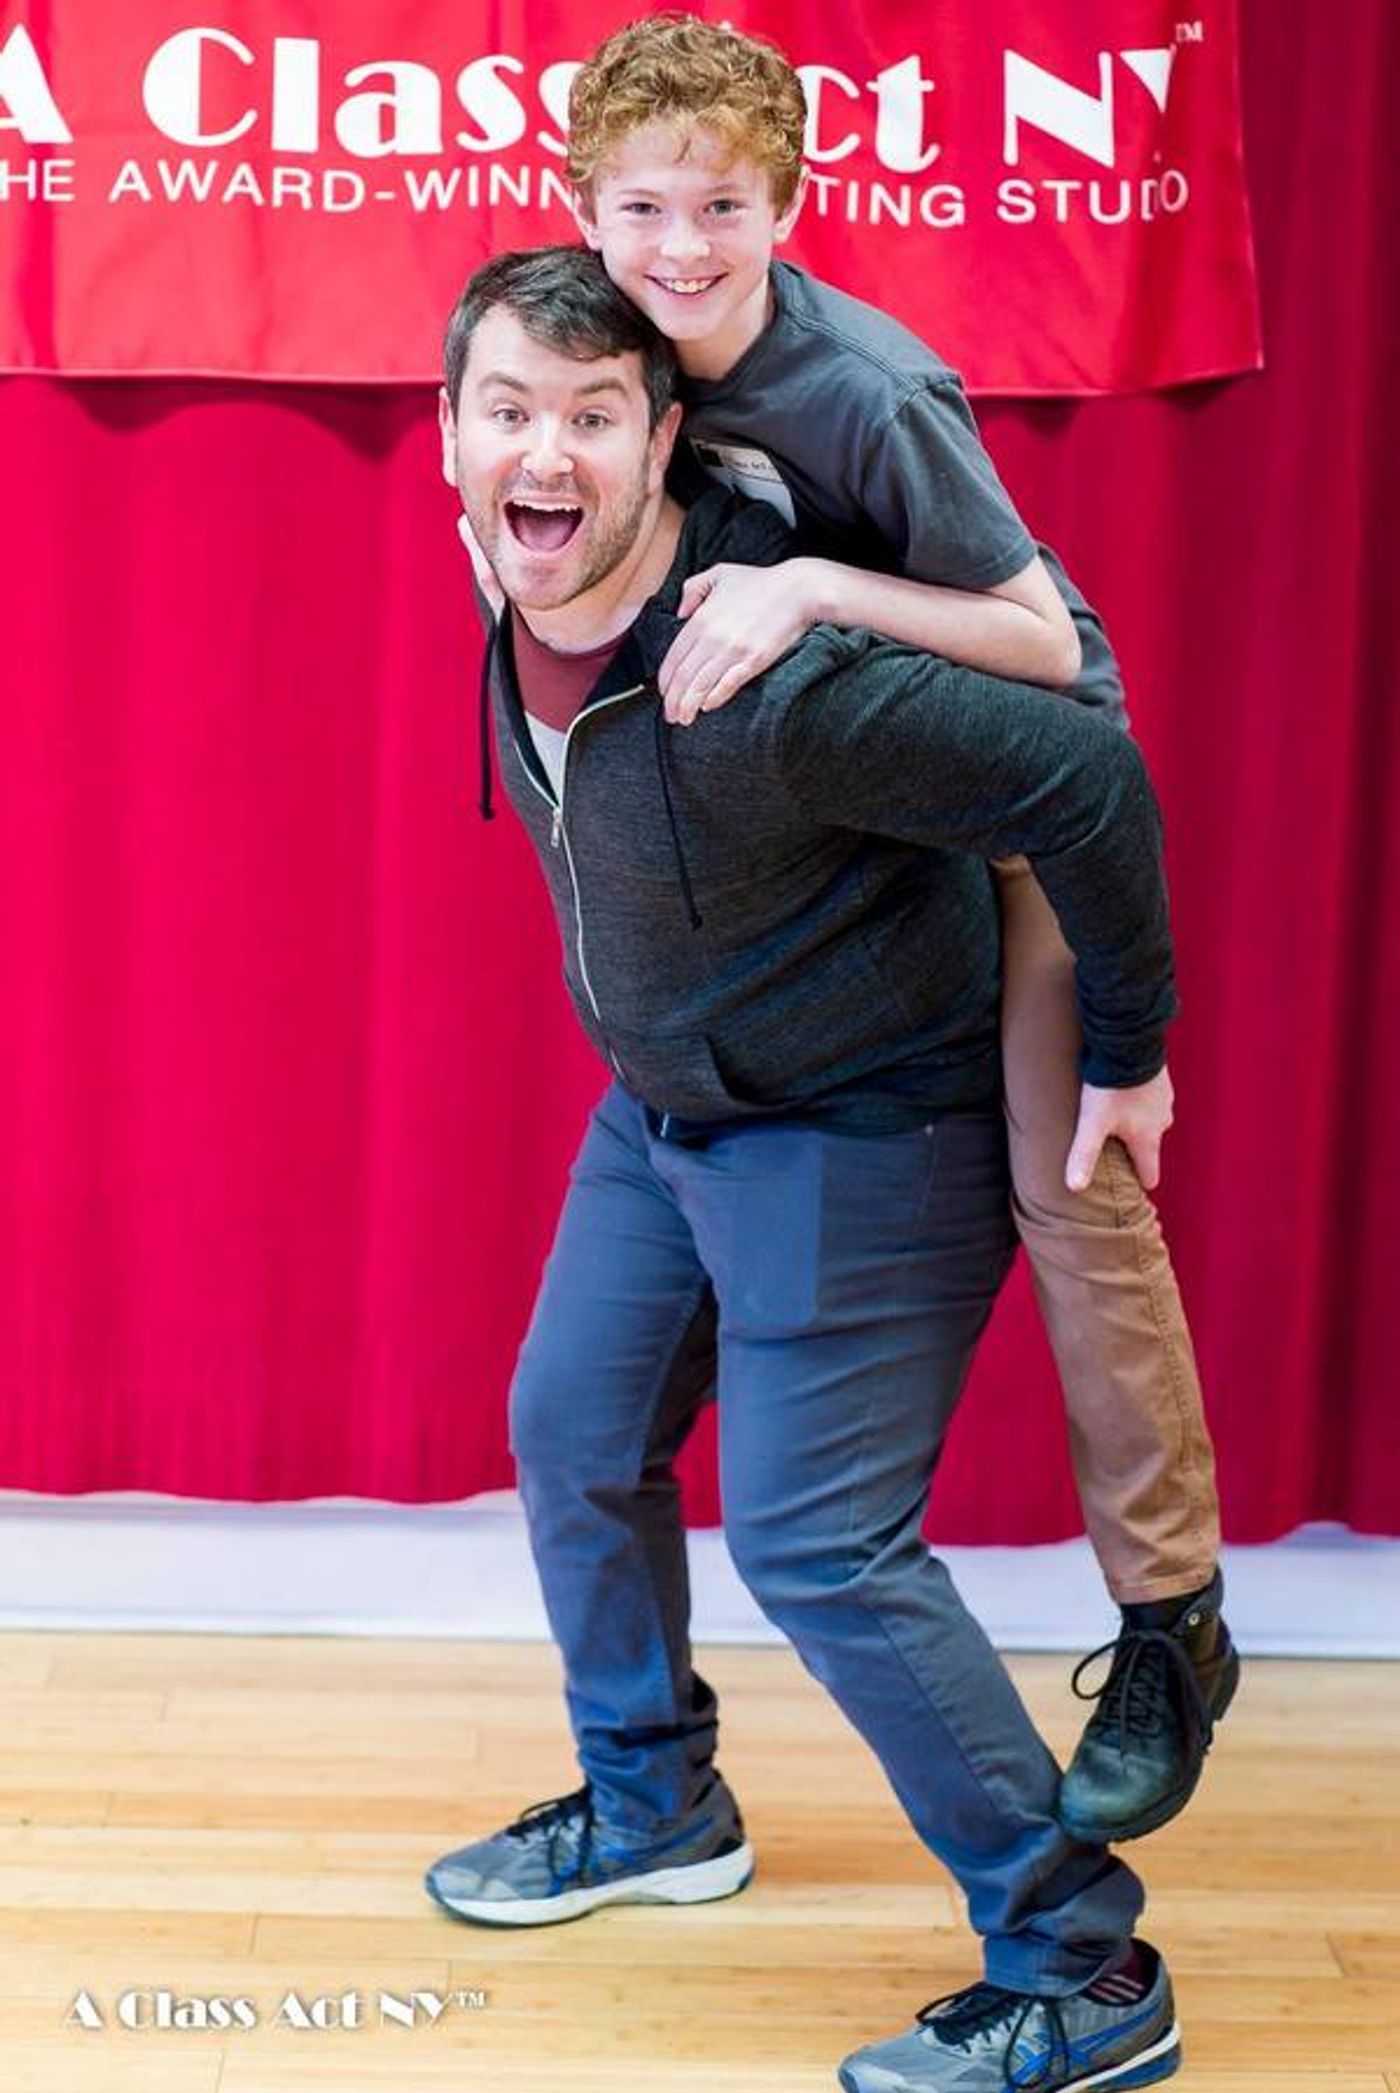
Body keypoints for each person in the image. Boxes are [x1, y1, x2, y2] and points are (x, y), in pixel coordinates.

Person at [425, 243, 1188, 2093]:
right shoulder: (500, 553)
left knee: (815, 1540)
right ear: (446, 433)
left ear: (667, 437)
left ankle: (1082, 1962)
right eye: (507, 410)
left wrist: (1126, 1047)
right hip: (664, 1111)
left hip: (867, 1119)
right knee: (574, 1431)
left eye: (595, 416)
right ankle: (653, 1806)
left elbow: (1083, 778)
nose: (545, 454)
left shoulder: (782, 667)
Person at [562, 13, 1236, 1848]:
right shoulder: (613, 334)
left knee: (1072, 1173)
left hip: (1027, 790)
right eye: (643, 204)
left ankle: (1172, 1619)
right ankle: (648, 1802)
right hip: (865, 795)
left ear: (788, 201)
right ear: (588, 207)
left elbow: (1040, 646)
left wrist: (804, 585)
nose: (681, 242)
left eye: (721, 204)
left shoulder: (863, 386)